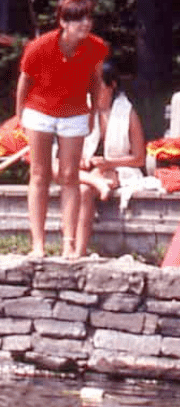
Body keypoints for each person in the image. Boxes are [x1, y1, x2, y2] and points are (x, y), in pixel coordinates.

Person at [16, 0, 107, 259]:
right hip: (40, 110)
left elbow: (96, 80)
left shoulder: (96, 47)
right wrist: (20, 114)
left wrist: (92, 114)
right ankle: (38, 244)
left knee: (69, 176)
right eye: (79, 19)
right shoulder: (39, 46)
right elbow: (24, 82)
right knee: (39, 174)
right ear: (63, 22)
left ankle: (68, 242)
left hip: (75, 111)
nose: (85, 24)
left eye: (88, 18)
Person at [75, 60, 148, 258]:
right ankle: (96, 182)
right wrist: (81, 158)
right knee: (57, 165)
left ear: (112, 85)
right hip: (87, 171)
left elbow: (139, 159)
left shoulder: (128, 113)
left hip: (116, 168)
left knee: (82, 190)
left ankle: (78, 251)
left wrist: (109, 163)